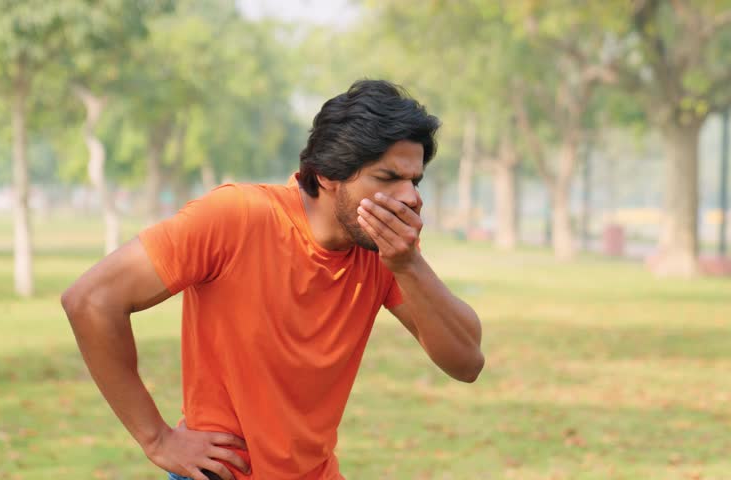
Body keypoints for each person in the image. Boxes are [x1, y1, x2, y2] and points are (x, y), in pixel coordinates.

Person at [61, 79, 484, 480]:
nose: (410, 197)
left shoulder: (385, 252)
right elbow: (92, 300)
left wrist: (408, 265)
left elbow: (467, 362)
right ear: (328, 176)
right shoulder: (239, 217)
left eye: (414, 180)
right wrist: (156, 438)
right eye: (388, 178)